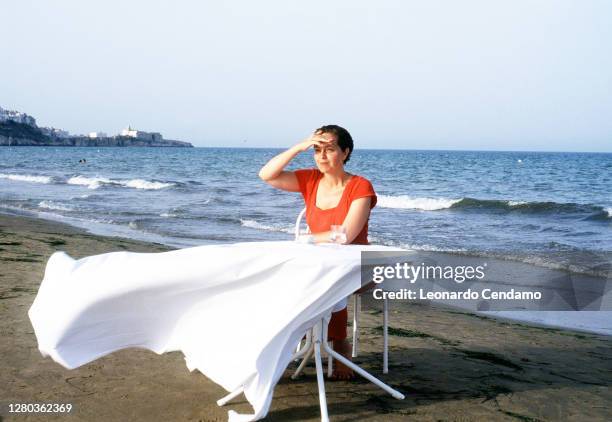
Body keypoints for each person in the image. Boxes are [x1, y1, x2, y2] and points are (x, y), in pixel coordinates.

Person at [258, 124, 377, 380]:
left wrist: (308, 239)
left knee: (324, 279)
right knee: (286, 278)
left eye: (330, 149)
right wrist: (300, 146)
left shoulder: (360, 186)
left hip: (357, 266)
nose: (322, 156)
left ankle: (335, 343)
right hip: (317, 261)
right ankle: (294, 341)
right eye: (316, 150)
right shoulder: (310, 180)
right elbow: (266, 175)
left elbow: (345, 236)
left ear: (345, 152)